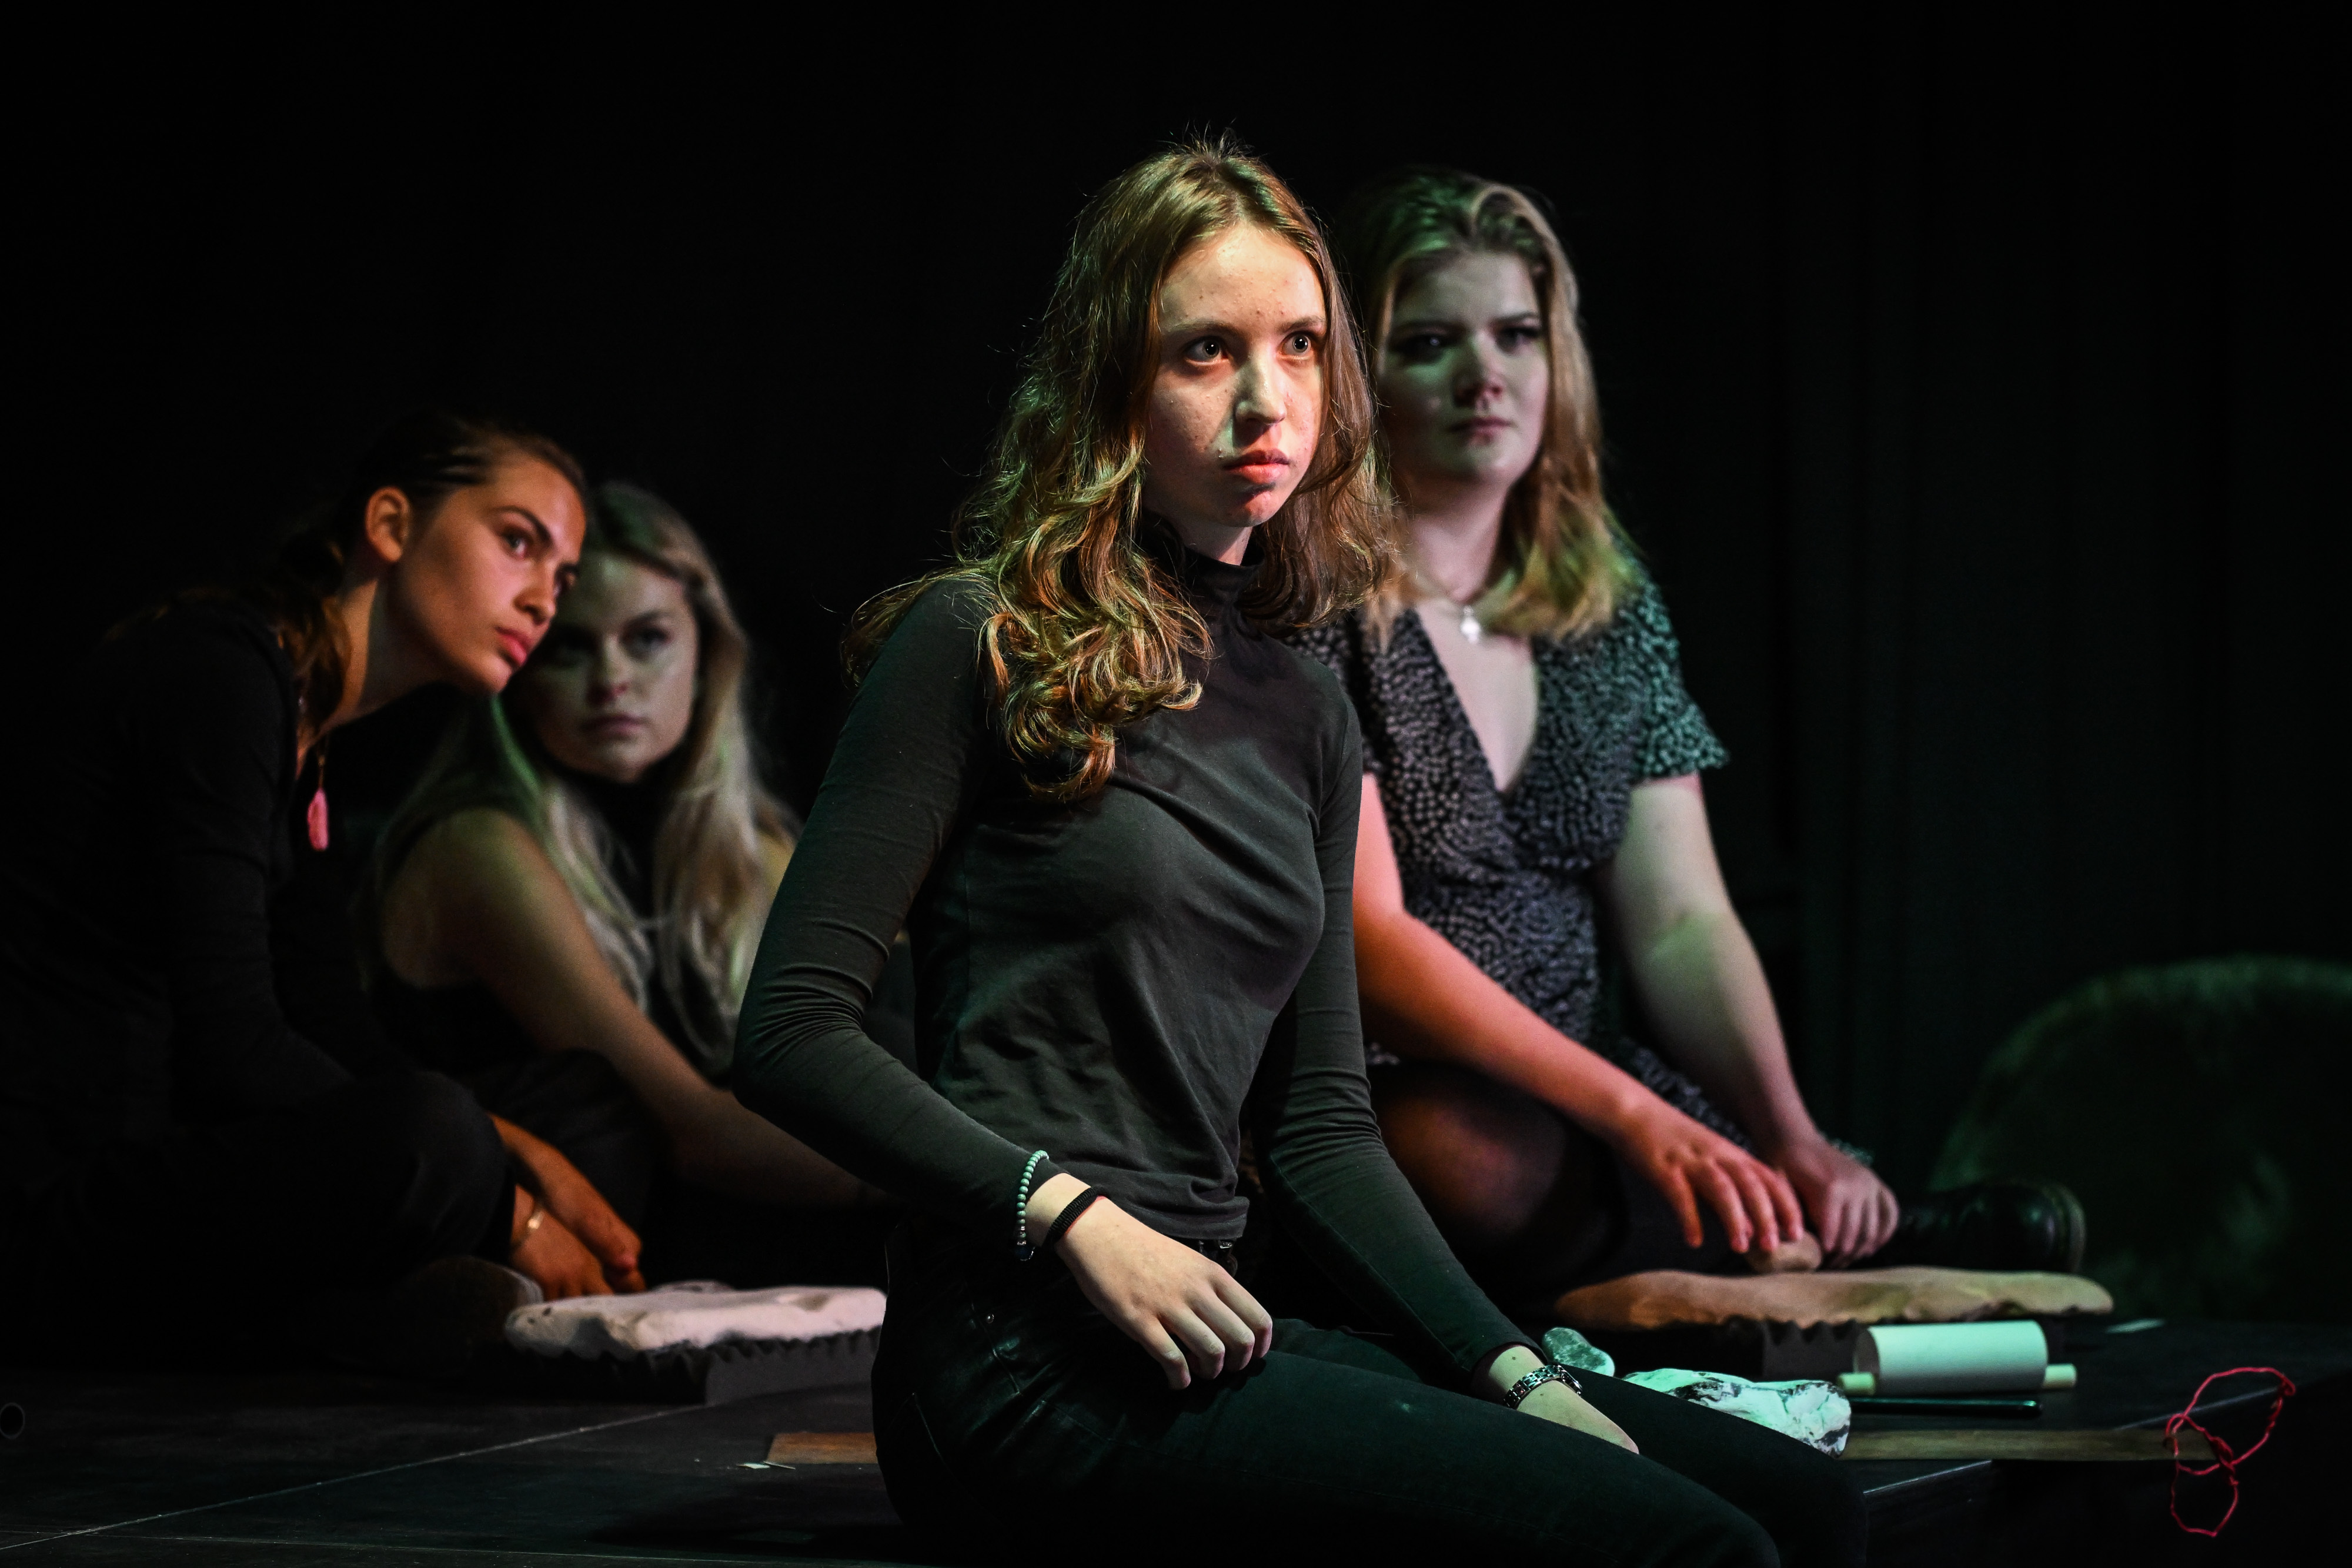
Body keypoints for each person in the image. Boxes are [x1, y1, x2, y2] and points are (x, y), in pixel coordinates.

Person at [733, 139, 1863, 1566]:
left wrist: (1509, 1366)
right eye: (1204, 351)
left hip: (1217, 1321)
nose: (1265, 399)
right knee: (1688, 1549)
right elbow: (787, 1031)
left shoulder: (1305, 706)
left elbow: (1322, 1130)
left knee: (1805, 1506)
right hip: (1019, 1359)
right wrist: (1064, 1210)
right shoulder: (978, 639)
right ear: (1112, 379)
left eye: (1299, 346)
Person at [1292, 166, 2077, 1319]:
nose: (1484, 376)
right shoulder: (1317, 603)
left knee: (1715, 1151)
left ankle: (1785, 1210)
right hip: (1420, 1085)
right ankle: (1816, 1243)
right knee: (1439, 1151)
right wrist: (1634, 1116)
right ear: (1363, 382)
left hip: (1600, 1099)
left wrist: (1787, 1131)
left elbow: (1681, 920)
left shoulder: (1603, 611)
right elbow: (1373, 945)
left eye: (1516, 334)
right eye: (1428, 344)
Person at [0, 411, 643, 1365]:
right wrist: (510, 1204)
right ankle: (359, 1313)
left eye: (563, 577)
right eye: (519, 543)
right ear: (391, 525)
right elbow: (234, 1044)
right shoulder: (222, 672)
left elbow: (331, 1023)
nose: (544, 600)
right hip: (62, 1188)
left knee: (586, 1111)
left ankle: (390, 1302)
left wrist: (526, 1150)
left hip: (180, 1157)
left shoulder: (314, 741)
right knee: (434, 1137)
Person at [369, 482, 890, 1286]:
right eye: (569, 647)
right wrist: (982, 1187)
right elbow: (691, 1133)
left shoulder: (748, 851)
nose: (612, 679)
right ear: (521, 667)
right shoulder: (477, 847)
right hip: (568, 1283)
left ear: (707, 654)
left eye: (646, 639)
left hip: (723, 1267)